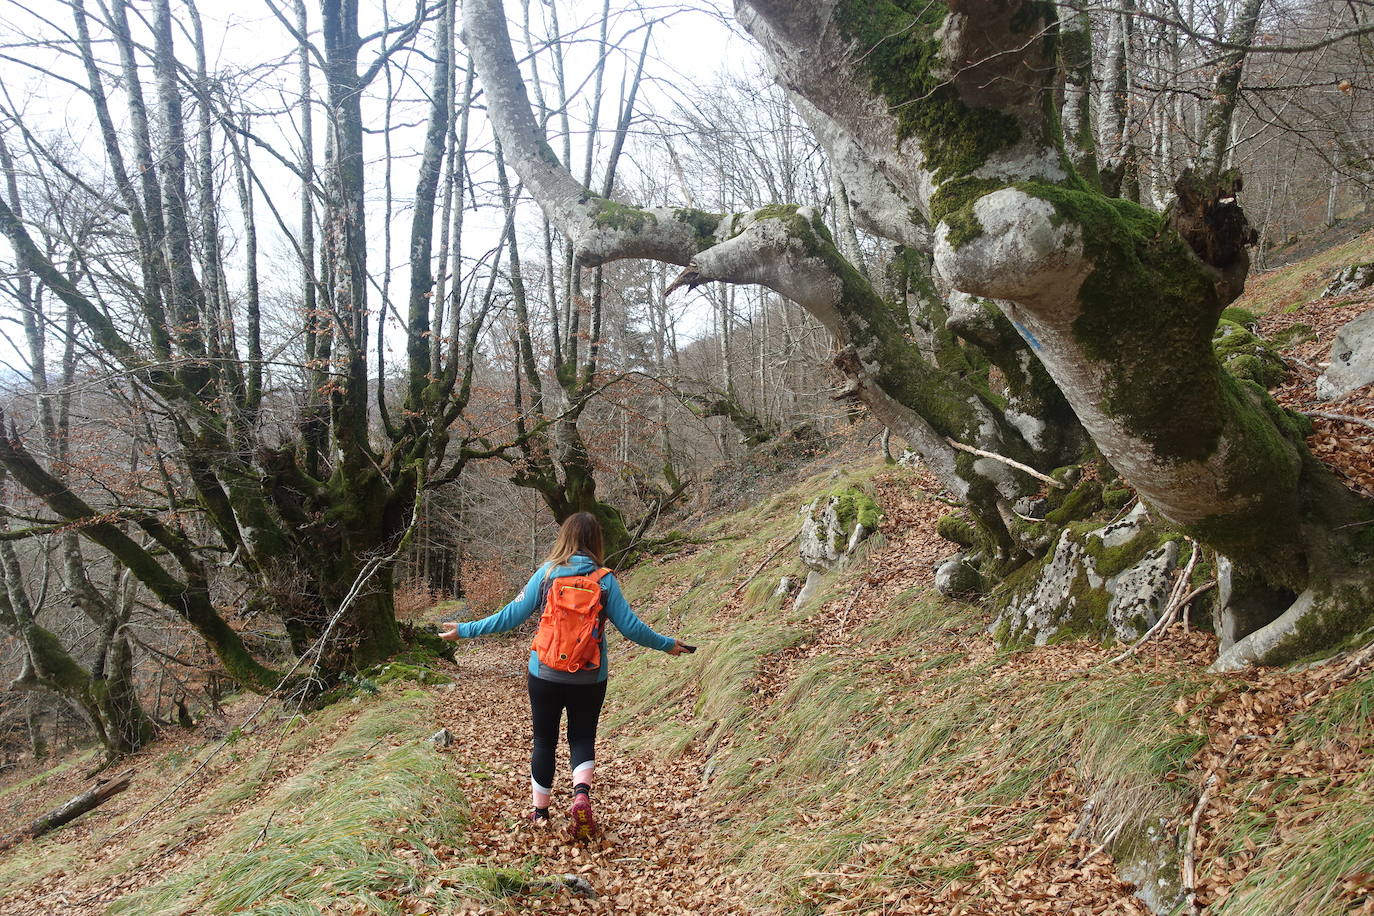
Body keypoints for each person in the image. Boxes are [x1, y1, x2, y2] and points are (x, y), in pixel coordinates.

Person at [439, 512, 687, 838]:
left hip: (544, 673)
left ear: (564, 537)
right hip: (590, 676)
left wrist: (465, 629)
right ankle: (580, 795)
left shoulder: (547, 574)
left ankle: (540, 813)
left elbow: (510, 616)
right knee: (582, 737)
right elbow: (632, 628)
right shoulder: (604, 580)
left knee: (544, 740)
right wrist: (667, 645)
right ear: (596, 541)